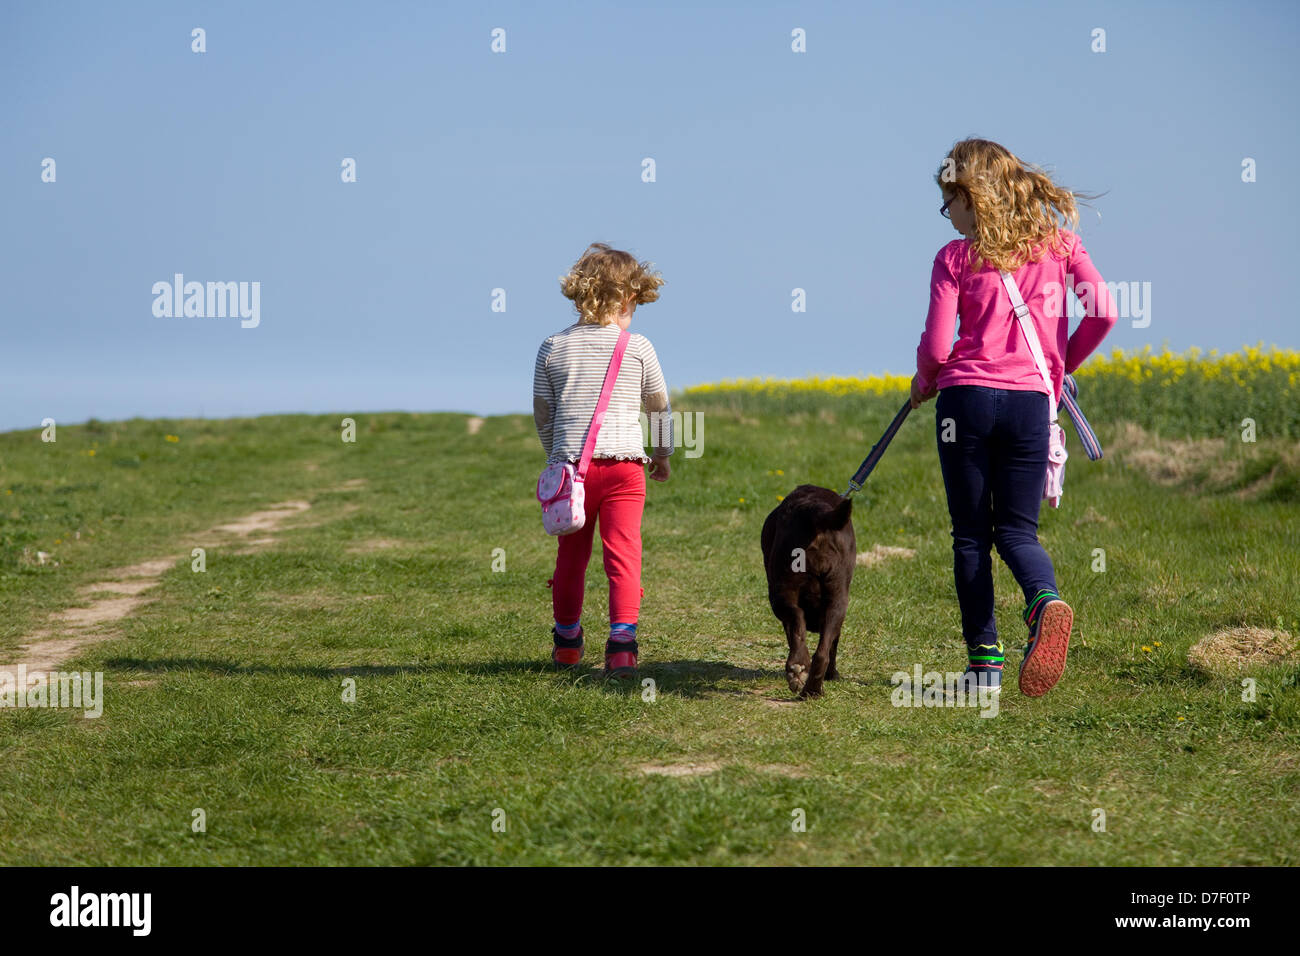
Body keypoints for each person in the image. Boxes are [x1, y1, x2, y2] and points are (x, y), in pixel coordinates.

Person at [910, 139, 1117, 697]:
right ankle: (1044, 601)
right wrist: (1058, 366)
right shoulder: (1061, 245)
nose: (946, 213)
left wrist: (923, 382)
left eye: (948, 199)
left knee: (971, 537)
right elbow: (1104, 309)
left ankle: (984, 669)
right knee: (1018, 532)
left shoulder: (955, 258)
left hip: (966, 401)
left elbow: (935, 347)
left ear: (972, 196)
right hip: (1031, 403)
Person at [533, 243, 674, 679]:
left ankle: (568, 645)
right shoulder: (639, 348)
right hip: (626, 471)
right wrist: (663, 454)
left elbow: (544, 413)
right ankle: (622, 648)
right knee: (624, 556)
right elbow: (659, 410)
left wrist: (557, 457)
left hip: (572, 473)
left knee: (571, 558)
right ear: (628, 298)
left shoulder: (552, 348)